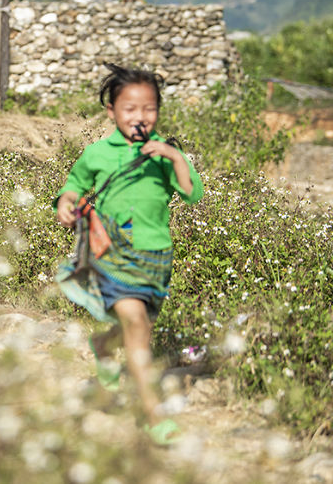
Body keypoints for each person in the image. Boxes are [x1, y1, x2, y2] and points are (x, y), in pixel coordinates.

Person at [55, 62, 203, 444]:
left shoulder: (165, 155)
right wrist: (66, 204)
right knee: (136, 325)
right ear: (112, 112)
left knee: (136, 325)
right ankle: (153, 416)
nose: (141, 117)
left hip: (155, 257)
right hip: (112, 255)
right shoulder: (98, 153)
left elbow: (192, 193)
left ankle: (103, 345)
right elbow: (73, 186)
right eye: (130, 109)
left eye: (149, 109)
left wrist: (173, 156)